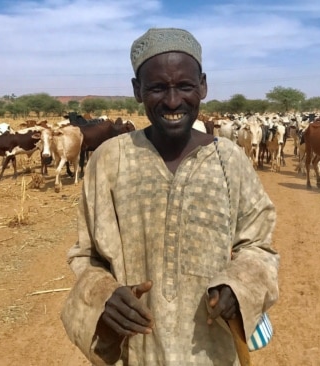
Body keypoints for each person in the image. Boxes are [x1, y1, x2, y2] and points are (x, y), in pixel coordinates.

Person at [61, 27, 279, 366]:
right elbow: (86, 255)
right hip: (138, 353)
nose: (173, 101)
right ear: (138, 90)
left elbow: (259, 247)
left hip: (214, 353)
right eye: (158, 88)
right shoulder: (109, 161)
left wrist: (239, 286)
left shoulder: (230, 161)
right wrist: (105, 295)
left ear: (203, 86)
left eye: (185, 86)